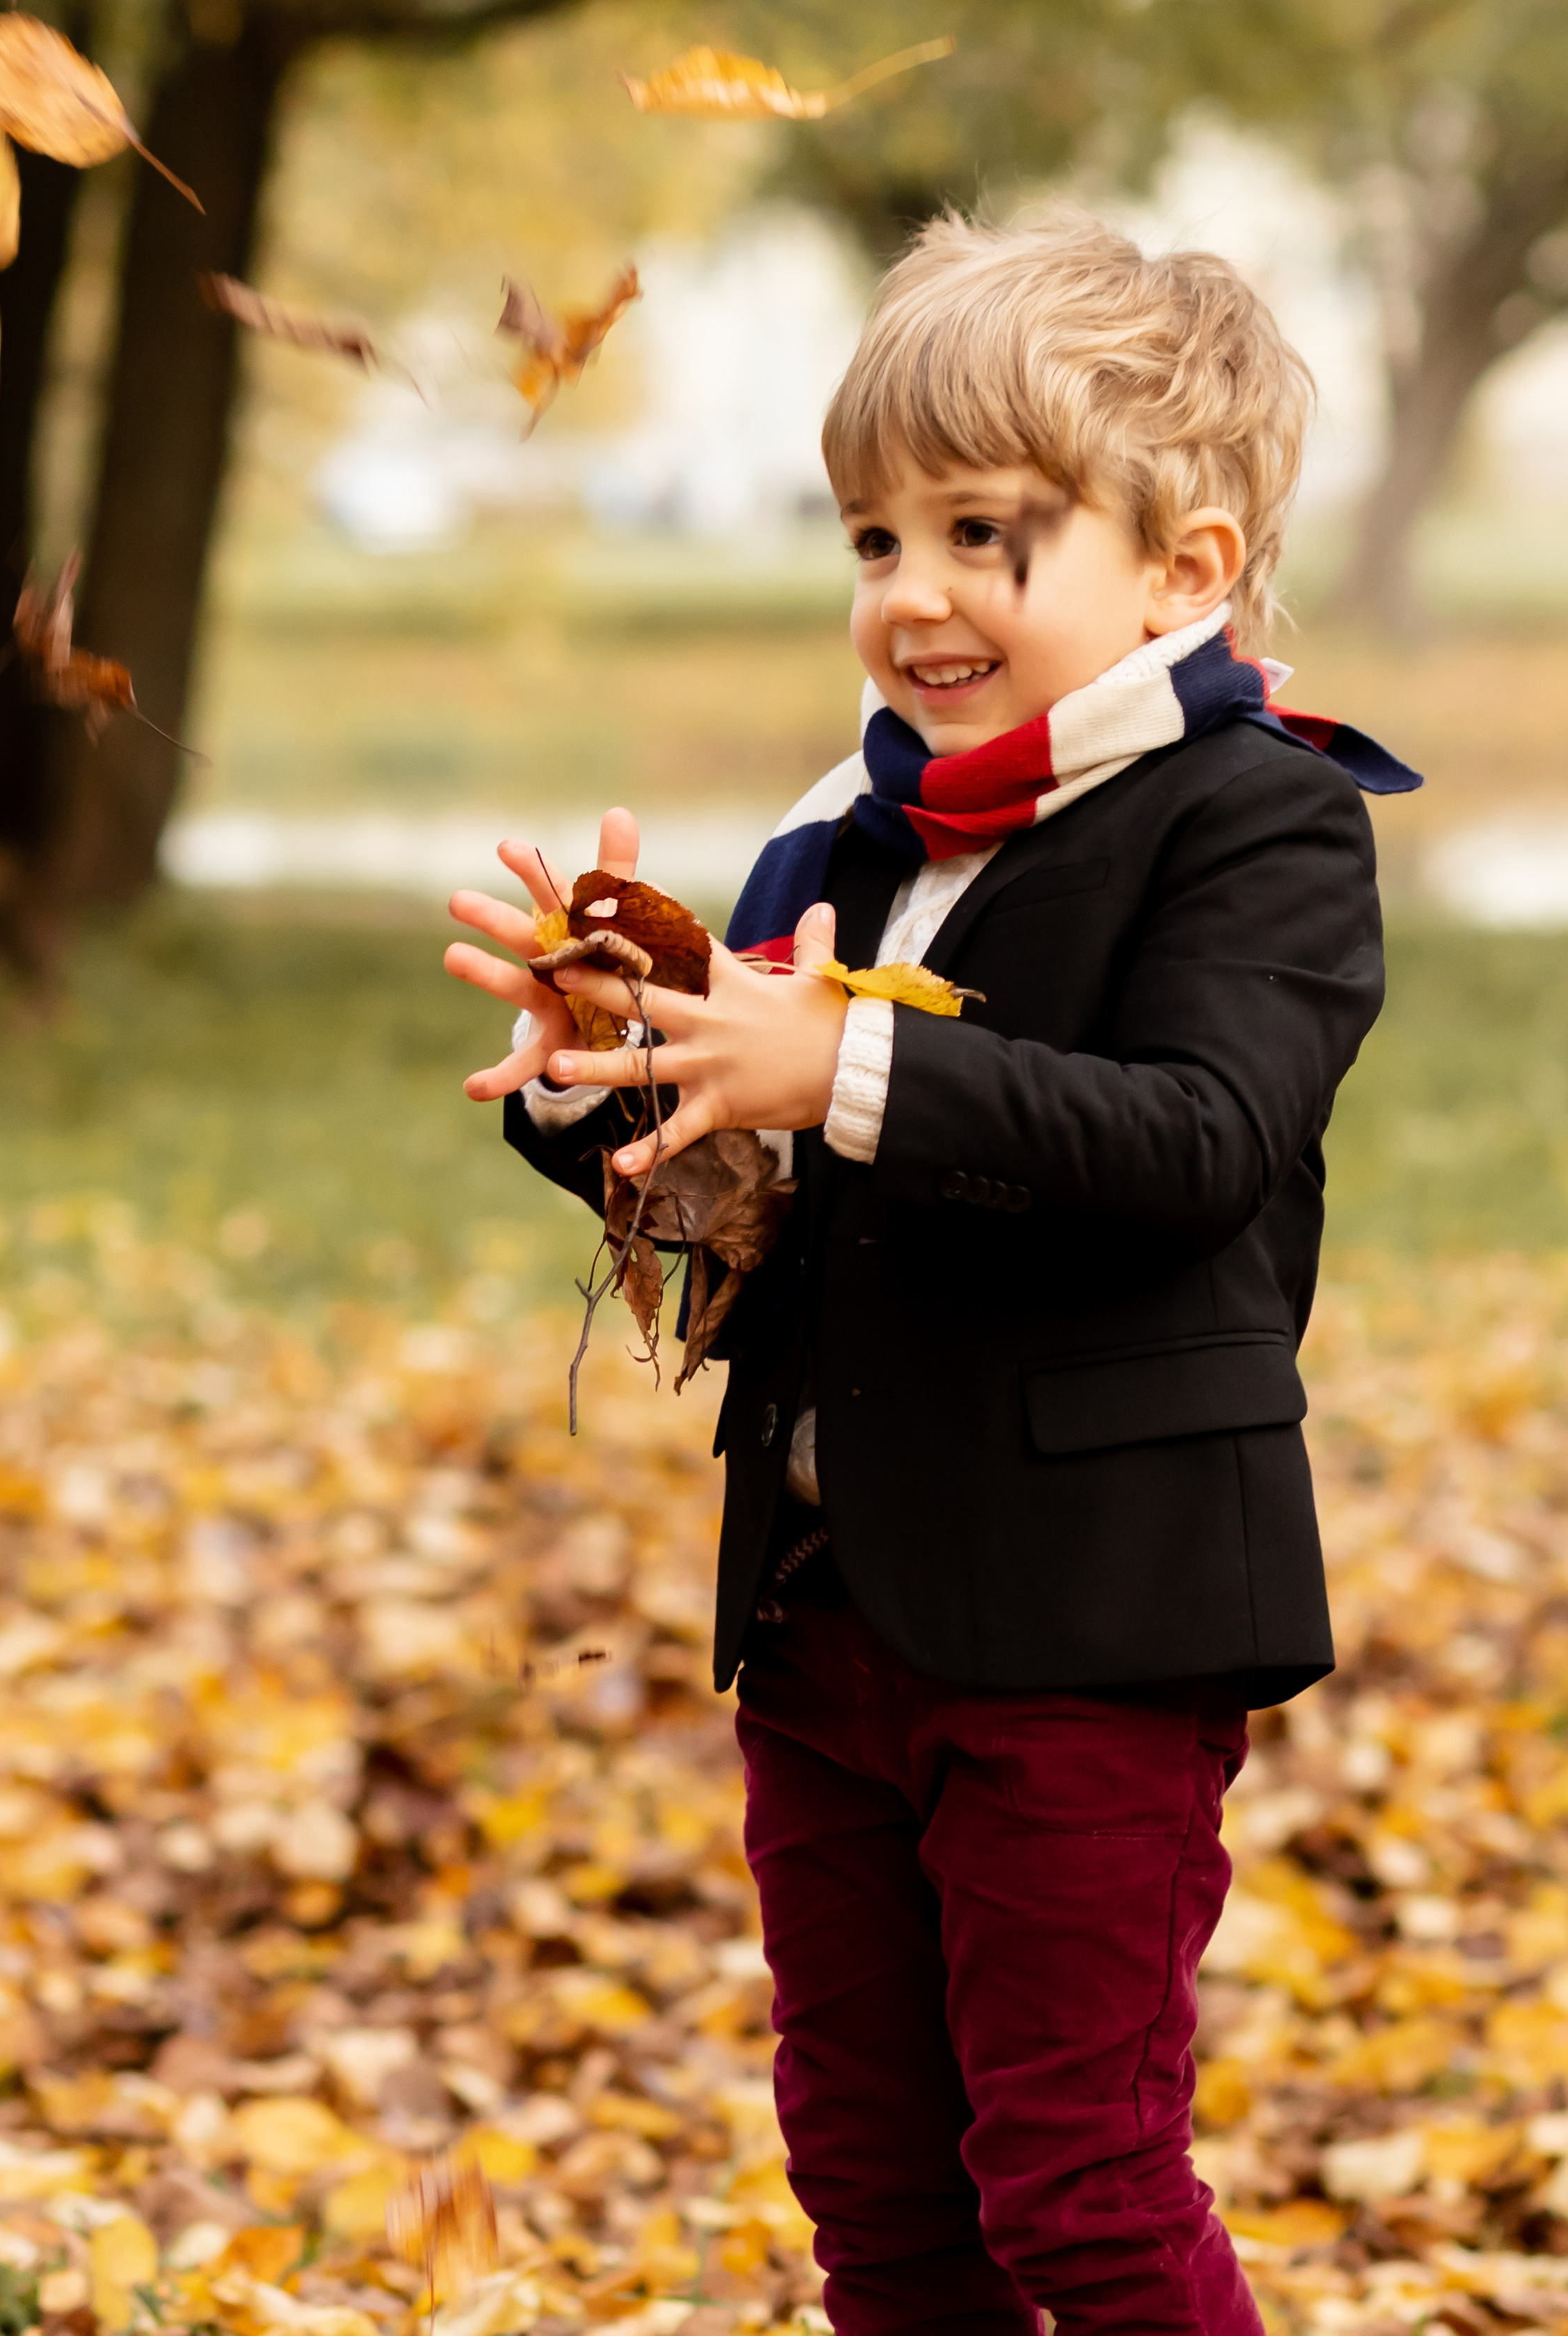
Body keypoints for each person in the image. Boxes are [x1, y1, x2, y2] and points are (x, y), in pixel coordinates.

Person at [443, 209, 1419, 2336]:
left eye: (989, 534)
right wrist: (611, 1078)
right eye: (875, 541)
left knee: (1077, 2189)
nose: (918, 596)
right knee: (882, 2208)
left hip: (1089, 1620)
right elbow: (773, 1194)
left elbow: (1198, 1143)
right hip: (829, 1621)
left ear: (1183, 568)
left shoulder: (1258, 820)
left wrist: (842, 1054)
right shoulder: (859, 843)